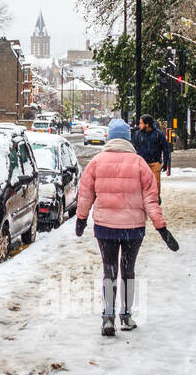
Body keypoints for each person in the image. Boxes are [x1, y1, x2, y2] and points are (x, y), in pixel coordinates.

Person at [76, 119, 179, 336]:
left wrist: (81, 219)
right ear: (128, 139)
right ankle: (126, 315)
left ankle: (108, 317)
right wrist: (162, 229)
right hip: (133, 229)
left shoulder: (96, 162)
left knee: (109, 270)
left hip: (105, 228)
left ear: (110, 137)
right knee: (128, 270)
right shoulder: (140, 164)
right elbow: (152, 200)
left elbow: (85, 195)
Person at [131, 114, 172, 201]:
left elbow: (165, 148)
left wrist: (165, 162)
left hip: (155, 163)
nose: (139, 125)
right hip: (142, 164)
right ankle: (142, 199)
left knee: (156, 183)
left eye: (141, 123)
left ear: (147, 124)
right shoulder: (137, 134)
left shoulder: (158, 134)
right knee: (140, 183)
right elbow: (133, 148)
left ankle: (156, 199)